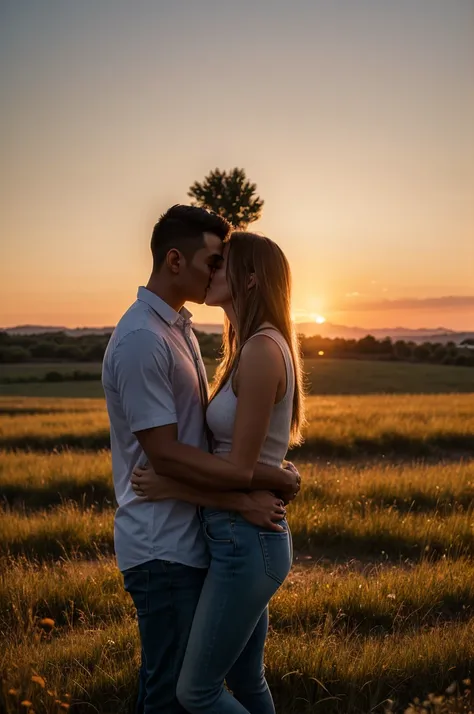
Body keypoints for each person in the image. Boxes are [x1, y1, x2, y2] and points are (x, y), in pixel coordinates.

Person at [101, 205, 301, 714]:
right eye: (211, 261)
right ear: (175, 260)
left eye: (223, 263)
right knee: (186, 691)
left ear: (250, 280)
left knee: (192, 693)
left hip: (215, 538)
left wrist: (259, 487)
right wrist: (260, 487)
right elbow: (165, 455)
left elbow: (228, 457)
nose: (215, 272)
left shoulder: (185, 330)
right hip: (164, 543)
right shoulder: (146, 338)